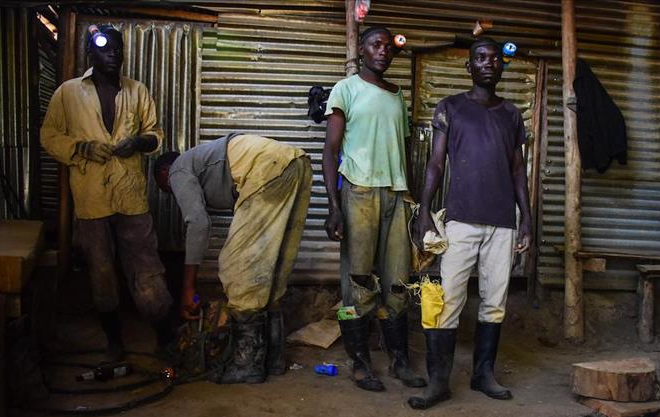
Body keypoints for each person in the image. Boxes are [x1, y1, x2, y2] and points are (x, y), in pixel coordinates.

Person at [408, 38, 532, 410]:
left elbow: (517, 171)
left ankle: (483, 375)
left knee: (494, 302)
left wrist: (526, 219)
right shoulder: (451, 108)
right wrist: (425, 211)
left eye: (494, 58)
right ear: (470, 67)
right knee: (448, 301)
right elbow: (435, 164)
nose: (488, 63)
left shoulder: (511, 114)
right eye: (480, 58)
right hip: (461, 220)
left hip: (501, 222)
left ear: (501, 67)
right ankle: (438, 382)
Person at [41, 25, 173, 362]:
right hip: (91, 200)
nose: (112, 54)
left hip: (131, 198)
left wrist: (138, 143)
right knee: (101, 271)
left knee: (146, 266)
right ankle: (114, 343)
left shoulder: (137, 91)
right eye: (104, 49)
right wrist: (81, 147)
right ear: (90, 53)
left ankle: (166, 338)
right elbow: (49, 136)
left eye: (117, 49)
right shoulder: (68, 93)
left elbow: (156, 134)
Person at [154, 134, 312, 384]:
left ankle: (247, 363)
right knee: (272, 265)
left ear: (165, 172)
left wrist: (188, 289)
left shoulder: (179, 168)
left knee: (236, 266)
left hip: (269, 168)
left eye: (167, 189)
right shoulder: (211, 167)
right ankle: (273, 359)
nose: (173, 194)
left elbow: (198, 223)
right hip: (297, 164)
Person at [322, 26, 425, 392]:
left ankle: (399, 360)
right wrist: (334, 206)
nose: (383, 51)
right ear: (361, 51)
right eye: (375, 45)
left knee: (398, 281)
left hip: (396, 196)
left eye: (387, 46)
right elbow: (330, 150)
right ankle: (360, 361)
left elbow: (405, 152)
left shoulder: (397, 97)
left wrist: (415, 202)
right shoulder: (345, 89)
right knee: (358, 280)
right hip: (360, 193)